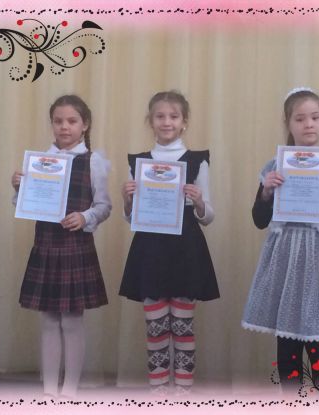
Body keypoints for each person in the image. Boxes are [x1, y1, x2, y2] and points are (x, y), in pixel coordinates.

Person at [241, 88, 319, 389]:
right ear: (288, 123)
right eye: (300, 118)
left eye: (315, 117)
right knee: (287, 342)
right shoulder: (275, 166)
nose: (309, 124)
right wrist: (267, 192)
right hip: (285, 258)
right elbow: (259, 219)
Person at [119, 90, 219, 395]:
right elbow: (130, 217)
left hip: (186, 249)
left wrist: (199, 201)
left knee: (183, 325)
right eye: (160, 116)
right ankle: (159, 390)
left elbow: (208, 216)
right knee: (156, 326)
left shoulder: (198, 161)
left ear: (184, 121)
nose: (167, 122)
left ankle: (183, 392)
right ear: (150, 121)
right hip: (150, 249)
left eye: (173, 116)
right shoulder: (138, 162)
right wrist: (127, 200)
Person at [11, 95, 111, 398]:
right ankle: (48, 389)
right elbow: (24, 204)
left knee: (72, 320)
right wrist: (18, 188)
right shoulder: (40, 160)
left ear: (85, 125)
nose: (64, 127)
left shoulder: (93, 161)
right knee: (49, 320)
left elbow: (104, 206)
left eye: (71, 121)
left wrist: (85, 216)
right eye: (58, 121)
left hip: (75, 248)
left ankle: (70, 388)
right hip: (45, 246)